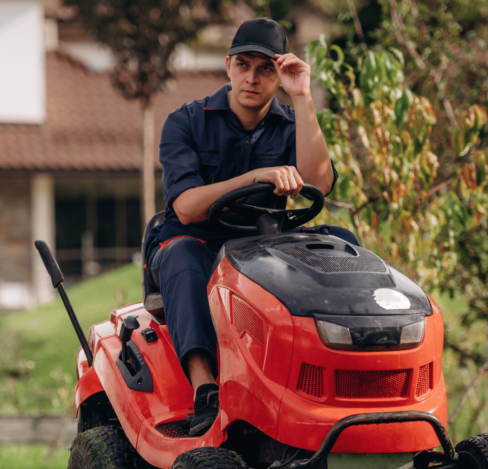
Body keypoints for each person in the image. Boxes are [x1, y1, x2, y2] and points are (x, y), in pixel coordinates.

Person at [143, 17, 355, 436]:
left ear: (280, 74)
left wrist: (303, 97)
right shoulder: (185, 122)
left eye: (265, 69)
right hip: (197, 243)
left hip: (267, 248)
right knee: (181, 254)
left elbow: (319, 182)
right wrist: (257, 177)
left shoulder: (293, 125)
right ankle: (206, 391)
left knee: (343, 244)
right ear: (228, 66)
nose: (252, 78)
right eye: (243, 65)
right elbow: (185, 207)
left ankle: (341, 382)